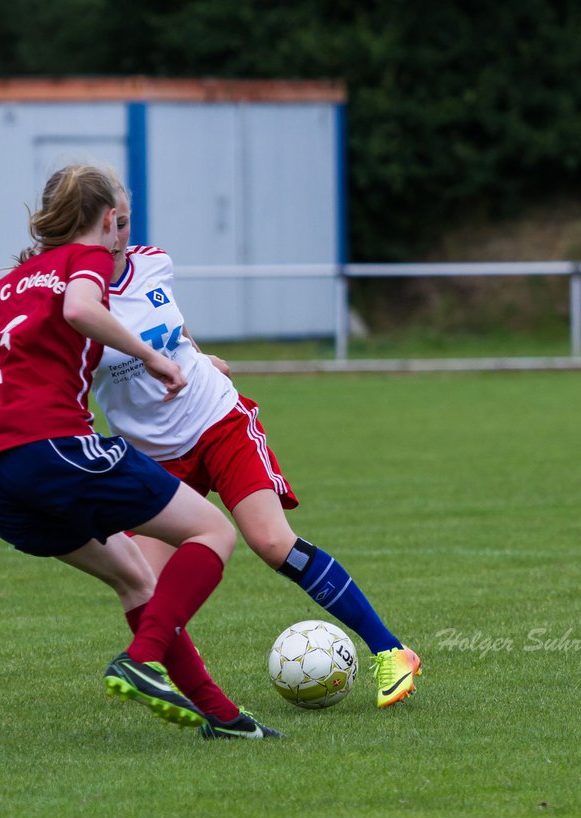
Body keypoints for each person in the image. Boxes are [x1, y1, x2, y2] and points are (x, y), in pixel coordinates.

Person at [0, 164, 279, 738]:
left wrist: (2, 433)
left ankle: (224, 718)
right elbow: (80, 310)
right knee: (213, 532)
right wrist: (157, 356)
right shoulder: (85, 257)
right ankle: (140, 659)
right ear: (110, 220)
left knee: (137, 578)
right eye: (122, 221)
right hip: (55, 448)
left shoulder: (2, 286)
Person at [91, 188, 423, 708]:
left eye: (124, 223)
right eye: (105, 225)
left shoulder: (153, 265)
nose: (116, 237)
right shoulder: (73, 302)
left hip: (216, 419)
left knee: (272, 543)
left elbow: (174, 330)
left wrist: (200, 358)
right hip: (153, 457)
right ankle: (175, 683)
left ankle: (391, 651)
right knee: (144, 583)